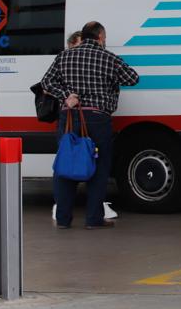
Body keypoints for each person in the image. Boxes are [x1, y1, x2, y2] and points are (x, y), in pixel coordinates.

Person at [40, 21, 138, 229]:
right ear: (101, 37)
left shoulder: (64, 56)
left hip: (69, 117)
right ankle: (93, 219)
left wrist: (67, 95)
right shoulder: (108, 58)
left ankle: (64, 219)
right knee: (98, 167)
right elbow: (133, 78)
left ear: (83, 37)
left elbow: (46, 82)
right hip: (97, 118)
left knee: (66, 165)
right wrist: (111, 80)